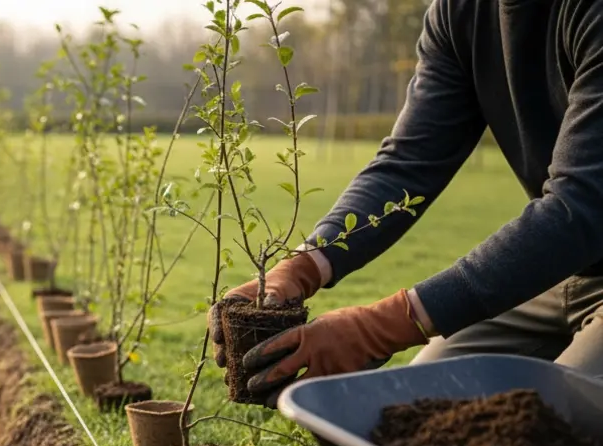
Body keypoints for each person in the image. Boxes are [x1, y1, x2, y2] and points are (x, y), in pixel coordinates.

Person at [209, 0, 603, 407]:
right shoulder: (458, 14)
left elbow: (580, 208)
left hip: (576, 240)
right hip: (556, 273)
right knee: (417, 411)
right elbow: (408, 163)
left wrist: (383, 325)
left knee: (564, 426)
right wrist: (305, 265)